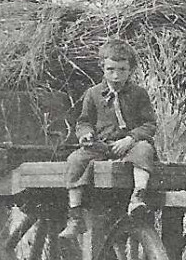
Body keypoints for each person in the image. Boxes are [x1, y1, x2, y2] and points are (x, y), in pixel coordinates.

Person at [59, 39, 160, 240]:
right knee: (76, 160)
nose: (116, 75)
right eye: (110, 69)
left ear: (131, 69)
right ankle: (75, 215)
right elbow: (84, 121)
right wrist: (86, 134)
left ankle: (137, 196)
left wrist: (131, 139)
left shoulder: (138, 94)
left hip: (129, 144)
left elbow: (149, 124)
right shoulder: (93, 94)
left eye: (122, 70)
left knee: (144, 150)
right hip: (102, 144)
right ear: (102, 68)